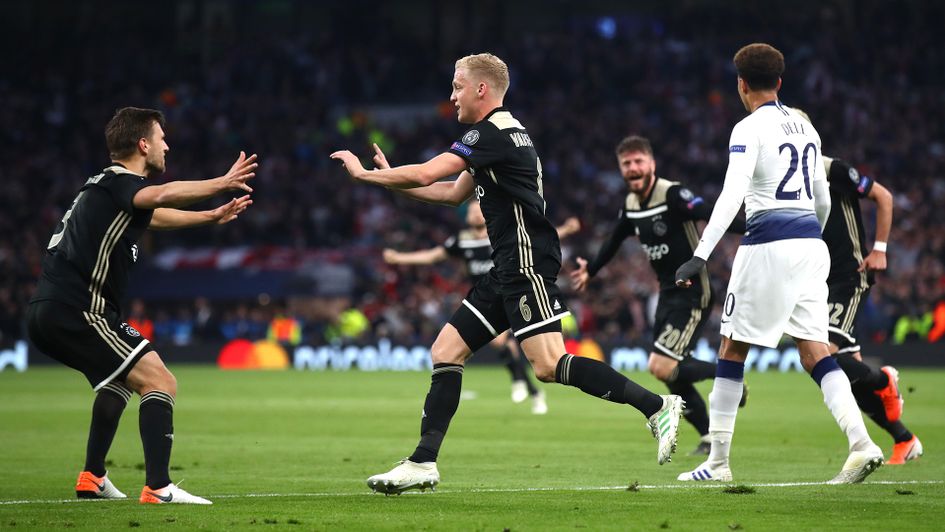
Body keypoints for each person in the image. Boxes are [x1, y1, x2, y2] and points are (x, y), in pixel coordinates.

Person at [331, 53, 684, 495]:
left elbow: (425, 173)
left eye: (458, 86)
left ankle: (656, 406)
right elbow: (446, 193)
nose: (452, 95)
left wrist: (365, 176)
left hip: (525, 263)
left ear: (482, 89)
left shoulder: (490, 133)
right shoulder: (501, 137)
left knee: (549, 365)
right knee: (446, 349)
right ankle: (423, 462)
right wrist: (390, 178)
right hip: (507, 266)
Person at [673, 43, 884, 483]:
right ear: (780, 82)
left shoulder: (748, 128)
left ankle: (718, 463)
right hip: (810, 246)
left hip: (768, 246)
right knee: (815, 352)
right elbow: (823, 199)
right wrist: (810, 237)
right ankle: (862, 443)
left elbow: (733, 196)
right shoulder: (807, 130)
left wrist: (699, 255)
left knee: (732, 348)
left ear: (741, 84)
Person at [27, 107, 257, 504]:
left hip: (51, 309)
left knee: (118, 383)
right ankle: (158, 487)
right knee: (161, 381)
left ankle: (93, 478)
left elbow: (154, 215)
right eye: (161, 137)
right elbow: (162, 195)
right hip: (80, 309)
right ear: (143, 144)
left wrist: (209, 216)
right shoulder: (122, 181)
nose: (167, 145)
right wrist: (222, 182)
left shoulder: (104, 189)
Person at [571, 135, 747, 455]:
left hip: (693, 290)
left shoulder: (674, 194)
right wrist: (591, 271)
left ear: (652, 164)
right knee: (665, 370)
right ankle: (709, 434)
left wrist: (753, 228)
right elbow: (612, 241)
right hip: (667, 292)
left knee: (663, 366)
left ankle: (730, 378)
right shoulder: (631, 205)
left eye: (639, 161)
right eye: (627, 164)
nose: (633, 168)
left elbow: (712, 212)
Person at [790, 109, 922, 465]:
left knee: (822, 355)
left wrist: (879, 249)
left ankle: (884, 378)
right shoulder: (784, 176)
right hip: (816, 281)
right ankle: (904, 439)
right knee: (846, 378)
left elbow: (885, 197)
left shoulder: (832, 168)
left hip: (849, 275)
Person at [383, 195, 581, 415]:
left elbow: (534, 239)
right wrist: (400, 258)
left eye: (479, 210)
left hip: (513, 295)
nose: (476, 214)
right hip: (485, 302)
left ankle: (522, 384)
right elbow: (433, 256)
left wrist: (565, 230)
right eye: (471, 211)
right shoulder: (462, 240)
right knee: (504, 345)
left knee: (518, 349)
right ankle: (531, 390)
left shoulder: (499, 235)